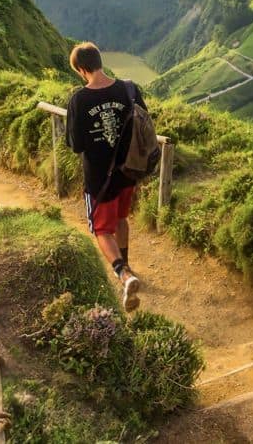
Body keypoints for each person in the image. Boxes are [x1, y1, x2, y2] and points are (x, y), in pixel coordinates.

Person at [65, 41, 147, 311]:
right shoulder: (128, 89)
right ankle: (128, 264)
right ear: (99, 61)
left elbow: (76, 145)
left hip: (100, 179)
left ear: (81, 69)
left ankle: (124, 275)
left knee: (101, 229)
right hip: (128, 171)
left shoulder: (79, 100)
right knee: (122, 218)